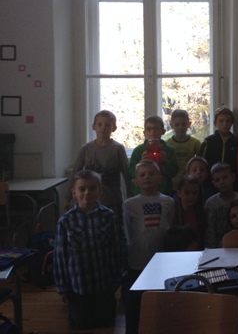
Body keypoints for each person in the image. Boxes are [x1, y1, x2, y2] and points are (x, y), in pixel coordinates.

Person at [54, 170, 123, 330]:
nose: (87, 193)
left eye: (92, 188)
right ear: (74, 192)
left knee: (106, 324)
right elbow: (60, 257)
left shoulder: (109, 216)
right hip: (78, 287)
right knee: (81, 325)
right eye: (82, 189)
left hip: (104, 284)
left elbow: (115, 248)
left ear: (100, 191)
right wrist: (62, 286)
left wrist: (117, 277)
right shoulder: (65, 221)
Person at [122, 160, 174, 334]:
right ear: (135, 181)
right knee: (135, 303)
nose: (147, 177)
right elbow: (127, 232)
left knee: (159, 302)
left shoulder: (168, 202)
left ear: (160, 178)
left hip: (161, 260)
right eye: (142, 175)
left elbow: (170, 228)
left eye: (151, 174)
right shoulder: (129, 204)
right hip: (137, 261)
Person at [69, 110, 132, 222]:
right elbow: (75, 173)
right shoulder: (86, 149)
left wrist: (130, 197)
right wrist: (67, 197)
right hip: (89, 201)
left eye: (107, 125)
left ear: (114, 128)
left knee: (115, 228)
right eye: (100, 124)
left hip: (112, 200)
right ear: (94, 126)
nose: (103, 128)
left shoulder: (117, 148)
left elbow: (127, 174)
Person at [128, 115, 179, 196]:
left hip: (163, 191)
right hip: (141, 192)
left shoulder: (169, 150)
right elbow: (131, 173)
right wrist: (141, 163)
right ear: (144, 133)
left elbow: (174, 172)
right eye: (149, 129)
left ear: (163, 131)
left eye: (156, 128)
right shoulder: (139, 150)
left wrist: (165, 162)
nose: (153, 132)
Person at [204, 162, 238, 247]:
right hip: (218, 245)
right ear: (214, 183)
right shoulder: (211, 203)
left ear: (233, 177)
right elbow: (209, 230)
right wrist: (212, 249)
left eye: (225, 177)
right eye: (217, 180)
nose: (222, 182)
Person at [199, 107, 238, 187]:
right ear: (215, 123)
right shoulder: (208, 141)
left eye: (228, 121)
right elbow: (202, 162)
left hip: (230, 183)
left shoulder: (236, 142)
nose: (225, 124)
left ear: (232, 123)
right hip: (211, 182)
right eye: (221, 121)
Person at [165, 109, 201, 190]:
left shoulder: (195, 143)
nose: (180, 127)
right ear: (171, 125)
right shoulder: (167, 144)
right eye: (177, 124)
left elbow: (200, 163)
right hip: (172, 184)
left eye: (183, 124)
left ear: (189, 124)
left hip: (190, 182)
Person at [171, 176, 207, 250]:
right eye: (186, 193)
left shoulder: (203, 212)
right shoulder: (173, 213)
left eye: (194, 193)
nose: (191, 197)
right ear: (179, 193)